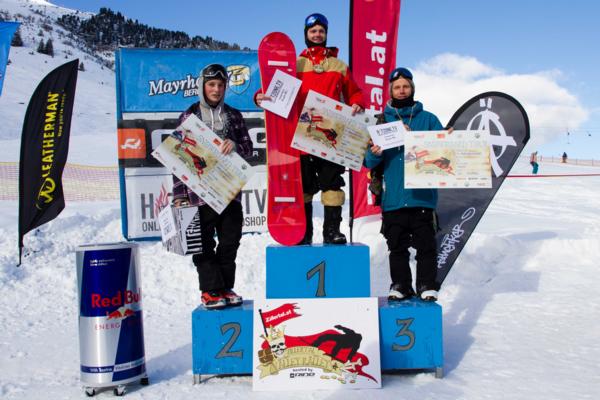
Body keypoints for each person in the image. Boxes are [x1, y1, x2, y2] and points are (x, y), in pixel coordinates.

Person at [256, 13, 364, 245]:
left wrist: (357, 102)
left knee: (332, 184)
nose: (317, 34)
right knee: (303, 186)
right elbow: (272, 87)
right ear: (306, 35)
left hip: (330, 136)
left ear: (326, 34)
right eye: (313, 31)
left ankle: (332, 231)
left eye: (321, 31)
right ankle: (303, 233)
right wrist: (260, 96)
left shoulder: (339, 65)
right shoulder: (295, 63)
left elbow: (354, 91)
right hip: (301, 135)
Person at [364, 67, 450, 302]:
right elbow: (367, 161)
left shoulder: (428, 119)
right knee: (397, 247)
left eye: (406, 86)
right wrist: (375, 152)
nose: (402, 91)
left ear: (412, 88)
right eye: (397, 87)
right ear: (390, 90)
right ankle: (400, 284)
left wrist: (445, 140)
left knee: (426, 246)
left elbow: (445, 154)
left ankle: (426, 284)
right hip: (393, 199)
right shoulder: (381, 122)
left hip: (422, 196)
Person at [172, 63, 253, 309]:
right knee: (203, 244)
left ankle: (225, 288)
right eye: (211, 85)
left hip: (228, 192)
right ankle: (210, 290)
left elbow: (250, 149)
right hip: (198, 193)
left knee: (230, 241)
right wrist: (179, 196)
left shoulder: (234, 116)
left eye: (220, 85)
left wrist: (236, 146)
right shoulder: (189, 116)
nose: (216, 89)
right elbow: (177, 158)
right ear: (202, 86)